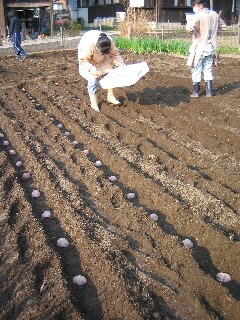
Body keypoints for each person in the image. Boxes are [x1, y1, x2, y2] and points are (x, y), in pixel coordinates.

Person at [186, 0, 226, 97]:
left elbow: (189, 28)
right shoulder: (215, 14)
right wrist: (216, 31)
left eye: (194, 5)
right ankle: (209, 92)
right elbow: (224, 26)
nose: (194, 8)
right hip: (212, 46)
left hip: (200, 46)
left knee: (196, 67)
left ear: (200, 5)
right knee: (208, 68)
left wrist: (195, 32)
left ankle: (196, 92)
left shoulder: (199, 15)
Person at [78, 30, 124, 112]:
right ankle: (94, 103)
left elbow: (115, 54)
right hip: (88, 61)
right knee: (92, 81)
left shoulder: (109, 42)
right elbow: (84, 60)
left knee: (111, 74)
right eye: (102, 52)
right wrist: (91, 68)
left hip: (102, 60)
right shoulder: (87, 45)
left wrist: (121, 64)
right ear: (97, 47)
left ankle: (110, 96)